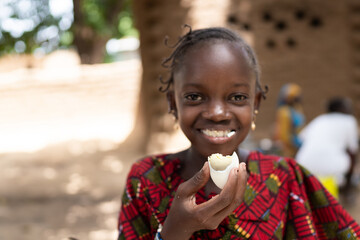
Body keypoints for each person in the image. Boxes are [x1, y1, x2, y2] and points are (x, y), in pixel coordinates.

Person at [117, 26, 360, 239]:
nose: (217, 113)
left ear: (255, 103)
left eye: (237, 97)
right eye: (194, 96)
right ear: (173, 103)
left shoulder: (284, 178)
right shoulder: (147, 181)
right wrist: (174, 230)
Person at [296, 97, 359, 199]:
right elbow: (353, 151)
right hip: (331, 169)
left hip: (303, 164)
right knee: (350, 155)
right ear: (340, 108)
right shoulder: (349, 121)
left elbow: (300, 140)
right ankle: (347, 190)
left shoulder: (319, 119)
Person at [273, 83, 305, 158]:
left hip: (298, 147)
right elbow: (284, 135)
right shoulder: (284, 112)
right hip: (288, 149)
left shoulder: (297, 109)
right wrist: (295, 144)